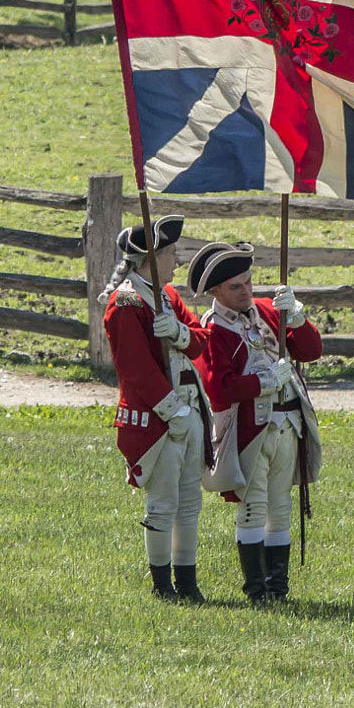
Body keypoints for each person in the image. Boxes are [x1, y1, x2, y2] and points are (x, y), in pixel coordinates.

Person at [187, 242, 324, 602]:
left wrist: (296, 318)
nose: (247, 291)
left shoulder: (266, 310)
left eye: (248, 282)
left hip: (289, 423)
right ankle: (256, 589)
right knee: (252, 507)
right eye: (236, 287)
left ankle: (278, 588)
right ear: (215, 292)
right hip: (250, 429)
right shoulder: (214, 329)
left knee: (280, 507)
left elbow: (310, 351)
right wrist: (266, 382)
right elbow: (220, 388)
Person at [101, 214, 209, 602]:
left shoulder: (168, 297)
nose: (177, 260)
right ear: (153, 256)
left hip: (189, 409)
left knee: (189, 502)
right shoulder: (127, 301)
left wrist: (178, 332)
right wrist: (171, 410)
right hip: (158, 418)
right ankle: (163, 586)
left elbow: (200, 342)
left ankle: (189, 582)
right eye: (171, 253)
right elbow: (136, 370)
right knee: (163, 503)